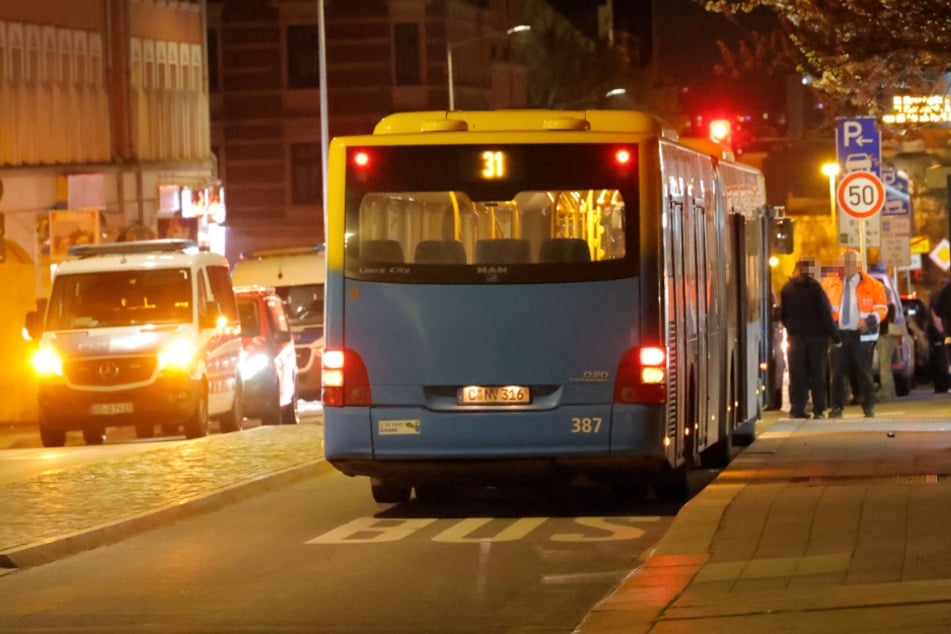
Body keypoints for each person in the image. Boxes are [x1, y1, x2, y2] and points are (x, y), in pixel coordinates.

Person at [821, 250, 888, 418]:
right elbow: (822, 308)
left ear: (858, 265)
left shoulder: (874, 285)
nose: (847, 266)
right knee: (837, 373)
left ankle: (868, 406)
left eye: (851, 263)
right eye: (844, 263)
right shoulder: (829, 284)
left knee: (863, 372)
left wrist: (868, 323)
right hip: (838, 335)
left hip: (862, 336)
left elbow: (881, 308)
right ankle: (837, 406)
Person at [780, 256, 840, 419]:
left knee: (797, 374)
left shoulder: (787, 289)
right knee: (817, 374)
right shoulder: (815, 288)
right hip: (817, 339)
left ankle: (797, 408)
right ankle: (819, 409)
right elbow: (825, 314)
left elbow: (783, 314)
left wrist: (791, 329)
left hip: (796, 339)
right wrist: (836, 337)